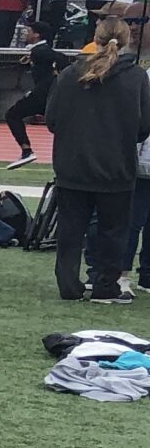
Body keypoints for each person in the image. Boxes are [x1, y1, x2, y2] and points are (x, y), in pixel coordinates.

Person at [44, 21, 150, 303]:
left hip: (72, 164)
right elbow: (144, 126)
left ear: (96, 38)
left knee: (70, 228)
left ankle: (68, 284)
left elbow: (51, 118)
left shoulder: (69, 73)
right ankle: (105, 287)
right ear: (126, 40)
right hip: (116, 167)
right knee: (113, 231)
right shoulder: (136, 76)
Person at [5, 19, 62, 166]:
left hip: (41, 94)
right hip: (51, 95)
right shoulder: (39, 51)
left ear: (37, 35)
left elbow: (54, 57)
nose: (26, 33)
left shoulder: (40, 51)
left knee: (12, 114)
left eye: (29, 31)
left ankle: (26, 151)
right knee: (60, 124)